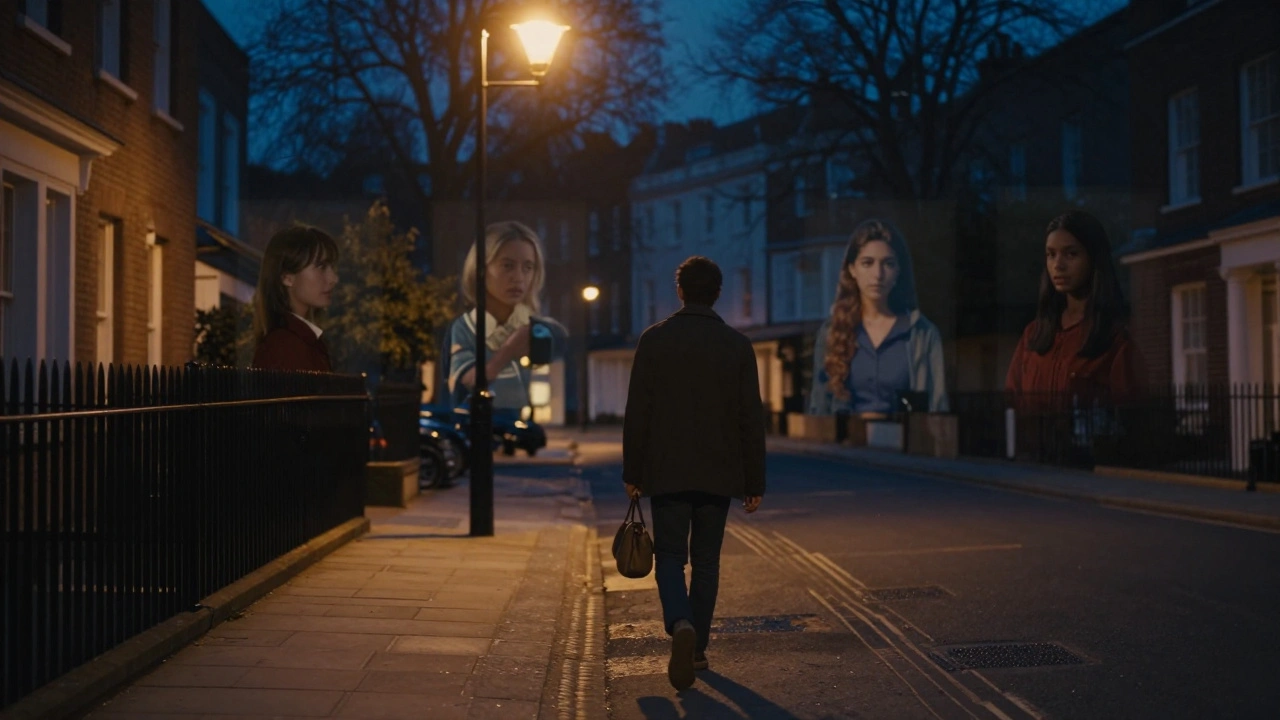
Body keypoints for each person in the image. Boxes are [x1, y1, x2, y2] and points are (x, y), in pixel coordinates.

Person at [622, 256, 767, 692]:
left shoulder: (655, 340)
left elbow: (638, 413)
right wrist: (754, 483)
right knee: (706, 561)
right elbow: (749, 420)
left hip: (666, 471)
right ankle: (698, 647)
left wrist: (634, 471)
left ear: (680, 291)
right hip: (719, 472)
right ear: (717, 293)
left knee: (669, 556)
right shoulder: (737, 346)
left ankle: (679, 622)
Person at [1005, 210, 1144, 464]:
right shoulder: (1033, 335)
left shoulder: (1115, 340)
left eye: (1071, 254)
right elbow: (1011, 401)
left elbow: (1132, 422)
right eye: (1051, 255)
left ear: (1094, 258)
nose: (1058, 265)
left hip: (1082, 471)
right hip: (1028, 470)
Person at [808, 219, 948, 418]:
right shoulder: (831, 332)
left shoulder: (922, 334)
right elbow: (819, 409)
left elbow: (938, 407)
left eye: (888, 264)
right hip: (845, 447)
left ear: (899, 270)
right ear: (852, 269)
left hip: (904, 445)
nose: (878, 274)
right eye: (867, 263)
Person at [446, 220, 566, 415]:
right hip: (477, 426)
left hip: (516, 426)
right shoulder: (467, 327)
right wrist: (509, 349)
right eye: (507, 266)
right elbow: (470, 380)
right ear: (482, 270)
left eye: (528, 267)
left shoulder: (532, 325)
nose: (518, 277)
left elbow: (558, 347)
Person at [252, 225, 340, 372]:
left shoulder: (304, 341)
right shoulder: (284, 348)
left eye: (332, 267)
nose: (333, 279)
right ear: (287, 277)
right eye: (321, 267)